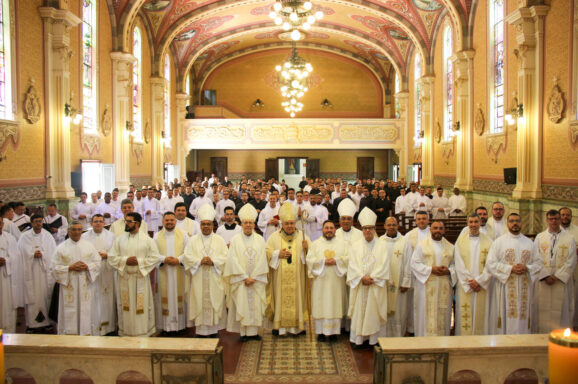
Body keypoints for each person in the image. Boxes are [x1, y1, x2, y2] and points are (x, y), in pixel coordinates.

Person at [485, 213, 542, 334]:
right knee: (506, 315)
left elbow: (538, 264)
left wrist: (527, 268)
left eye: (517, 221)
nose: (515, 223)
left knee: (523, 316)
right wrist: (510, 269)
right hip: (505, 287)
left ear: (521, 223)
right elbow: (490, 263)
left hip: (524, 286)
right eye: (512, 221)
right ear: (507, 224)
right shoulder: (499, 242)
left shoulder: (529, 243)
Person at [108, 212, 161, 337]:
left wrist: (139, 262)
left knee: (141, 306)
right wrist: (126, 260)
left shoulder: (147, 240)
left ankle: (144, 331)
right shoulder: (119, 240)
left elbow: (155, 257)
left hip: (140, 277)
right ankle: (126, 331)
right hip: (125, 278)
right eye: (126, 221)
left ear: (137, 223)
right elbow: (112, 257)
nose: (126, 223)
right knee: (125, 306)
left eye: (129, 221)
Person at [265, 202, 310, 336]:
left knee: (298, 298)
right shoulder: (274, 237)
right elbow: (266, 251)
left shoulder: (303, 236)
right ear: (282, 224)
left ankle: (298, 327)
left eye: (292, 223)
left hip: (298, 278)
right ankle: (280, 328)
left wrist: (307, 249)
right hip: (279, 279)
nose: (289, 226)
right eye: (287, 223)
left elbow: (311, 257)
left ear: (295, 223)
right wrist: (277, 254)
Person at [183, 203, 228, 337]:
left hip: (214, 278)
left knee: (214, 301)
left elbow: (225, 257)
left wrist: (213, 261)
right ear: (200, 225)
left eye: (209, 224)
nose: (206, 226)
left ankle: (214, 330)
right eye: (204, 224)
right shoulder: (193, 240)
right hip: (198, 278)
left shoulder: (219, 240)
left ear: (213, 225)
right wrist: (199, 261)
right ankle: (201, 331)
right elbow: (187, 256)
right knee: (199, 301)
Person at [225, 204, 269, 341]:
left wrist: (254, 277)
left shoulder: (260, 239)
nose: (248, 225)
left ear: (254, 224)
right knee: (242, 303)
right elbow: (232, 260)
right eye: (245, 223)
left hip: (256, 280)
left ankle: (254, 332)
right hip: (241, 280)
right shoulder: (235, 240)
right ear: (241, 224)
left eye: (250, 223)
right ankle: (243, 333)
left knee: (255, 305)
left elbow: (263, 259)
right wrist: (244, 277)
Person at [347, 208, 389, 347]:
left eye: (370, 228)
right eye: (365, 228)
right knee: (360, 311)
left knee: (374, 312)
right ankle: (359, 340)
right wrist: (361, 278)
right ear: (362, 229)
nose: (368, 231)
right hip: (361, 285)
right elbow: (352, 264)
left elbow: (384, 265)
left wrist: (372, 278)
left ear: (374, 229)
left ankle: (374, 340)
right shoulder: (355, 246)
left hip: (375, 286)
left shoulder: (382, 245)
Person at [50, 221, 101, 335]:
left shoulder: (89, 246)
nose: (77, 232)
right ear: (69, 231)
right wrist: (69, 268)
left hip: (85, 284)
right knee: (69, 311)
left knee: (86, 310)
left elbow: (97, 264)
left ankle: (87, 333)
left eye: (79, 229)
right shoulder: (61, 248)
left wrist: (87, 266)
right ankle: (69, 335)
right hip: (69, 284)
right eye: (74, 229)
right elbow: (53, 268)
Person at [533, 210, 576, 333]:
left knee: (561, 311)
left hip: (560, 282)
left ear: (560, 220)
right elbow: (535, 258)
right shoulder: (540, 237)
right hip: (543, 282)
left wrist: (557, 277)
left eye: (556, 219)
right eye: (551, 219)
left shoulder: (569, 239)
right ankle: (540, 337)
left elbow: (571, 261)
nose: (553, 221)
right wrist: (545, 275)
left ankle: (560, 337)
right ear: (546, 220)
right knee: (542, 309)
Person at [411, 220, 456, 336]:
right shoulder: (422, 246)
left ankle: (442, 341)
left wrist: (449, 271)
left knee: (443, 312)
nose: (438, 231)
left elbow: (455, 265)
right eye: (435, 228)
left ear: (444, 230)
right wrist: (431, 269)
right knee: (425, 313)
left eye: (441, 228)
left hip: (444, 286)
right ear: (430, 230)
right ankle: (424, 341)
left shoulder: (451, 247)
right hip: (425, 287)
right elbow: (415, 263)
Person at [307, 220, 348, 342]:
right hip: (321, 282)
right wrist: (323, 262)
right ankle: (320, 332)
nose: (329, 230)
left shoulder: (342, 244)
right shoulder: (315, 244)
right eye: (326, 228)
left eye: (331, 228)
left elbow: (348, 258)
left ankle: (334, 332)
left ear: (335, 230)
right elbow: (310, 260)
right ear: (322, 230)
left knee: (335, 304)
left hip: (336, 281)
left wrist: (337, 261)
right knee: (321, 304)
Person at [454, 213, 493, 335]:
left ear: (480, 223)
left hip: (482, 285)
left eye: (476, 222)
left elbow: (491, 264)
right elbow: (458, 264)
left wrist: (480, 281)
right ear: (467, 223)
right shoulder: (460, 241)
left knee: (482, 315)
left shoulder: (489, 241)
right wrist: (470, 282)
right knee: (465, 316)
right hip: (467, 285)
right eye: (471, 222)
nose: (473, 225)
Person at [18, 214, 57, 333]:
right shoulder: (24, 237)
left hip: (45, 274)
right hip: (31, 272)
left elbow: (53, 253)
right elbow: (20, 254)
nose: (39, 224)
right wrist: (32, 255)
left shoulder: (48, 236)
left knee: (45, 296)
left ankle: (47, 323)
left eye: (40, 221)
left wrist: (43, 255)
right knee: (32, 297)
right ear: (31, 223)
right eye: (36, 222)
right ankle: (32, 324)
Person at [154, 212, 189, 335]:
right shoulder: (156, 236)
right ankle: (166, 327)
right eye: (167, 220)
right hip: (164, 271)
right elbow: (153, 254)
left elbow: (188, 251)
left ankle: (181, 325)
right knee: (165, 297)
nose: (169, 222)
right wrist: (164, 259)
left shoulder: (183, 235)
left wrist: (178, 259)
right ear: (163, 222)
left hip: (179, 271)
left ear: (175, 221)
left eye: (171, 220)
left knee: (180, 296)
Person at [82, 214, 116, 335]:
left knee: (107, 297)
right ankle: (93, 325)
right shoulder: (84, 237)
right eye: (95, 221)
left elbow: (116, 252)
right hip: (91, 272)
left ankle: (109, 327)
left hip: (106, 270)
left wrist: (107, 255)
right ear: (91, 223)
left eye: (100, 221)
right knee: (93, 297)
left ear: (104, 223)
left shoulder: (111, 236)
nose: (98, 223)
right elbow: (82, 252)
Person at [379, 217, 412, 337]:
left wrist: (406, 282)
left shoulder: (405, 241)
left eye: (394, 225)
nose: (391, 227)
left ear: (397, 226)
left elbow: (409, 262)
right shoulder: (380, 241)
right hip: (383, 284)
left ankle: (398, 336)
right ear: (385, 226)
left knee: (400, 311)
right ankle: (383, 336)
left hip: (399, 285)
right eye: (389, 225)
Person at [0, 218, 20, 333]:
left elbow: (16, 256)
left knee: (6, 304)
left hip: (6, 278)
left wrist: (6, 260)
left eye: (0, 223)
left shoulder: (10, 238)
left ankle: (7, 331)